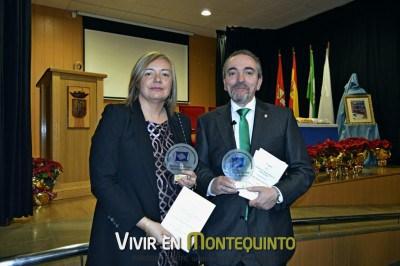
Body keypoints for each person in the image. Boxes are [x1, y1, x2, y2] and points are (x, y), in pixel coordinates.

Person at [195, 50, 315, 266]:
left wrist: (277, 193)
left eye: (248, 73)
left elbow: (303, 171)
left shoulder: (283, 118)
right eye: (232, 73)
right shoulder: (207, 122)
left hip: (270, 238)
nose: (240, 79)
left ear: (259, 82)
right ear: (224, 82)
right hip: (221, 241)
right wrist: (212, 183)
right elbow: (200, 168)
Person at [87, 51, 197, 266]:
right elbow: (102, 181)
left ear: (172, 84)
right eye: (149, 73)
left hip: (174, 232)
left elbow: (179, 170)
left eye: (165, 74)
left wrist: (189, 180)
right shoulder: (117, 116)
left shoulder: (181, 122)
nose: (158, 80)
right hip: (130, 232)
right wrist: (146, 224)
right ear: (137, 80)